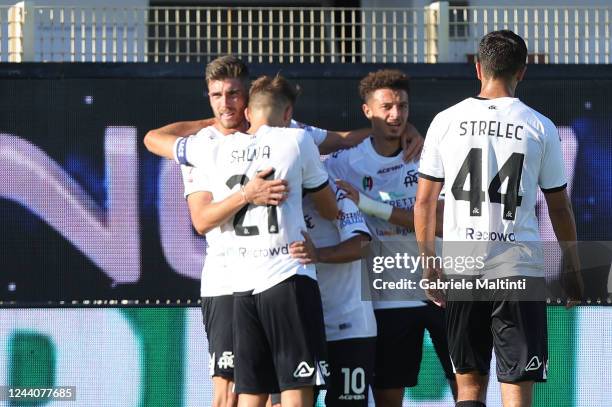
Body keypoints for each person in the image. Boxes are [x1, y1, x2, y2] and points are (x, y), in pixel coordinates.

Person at [414, 30, 583, 407]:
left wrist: (429, 265)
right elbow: (559, 206)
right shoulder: (540, 126)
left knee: (469, 387)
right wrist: (572, 267)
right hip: (518, 266)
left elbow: (424, 202)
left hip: (463, 262)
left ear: (478, 68)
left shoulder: (445, 121)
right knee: (517, 387)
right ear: (522, 72)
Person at [175, 74, 338, 407]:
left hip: (242, 288)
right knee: (296, 386)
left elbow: (156, 139)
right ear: (289, 111)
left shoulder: (213, 148)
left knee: (250, 391)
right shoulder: (295, 140)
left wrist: (245, 193)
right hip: (286, 276)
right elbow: (330, 210)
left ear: (247, 111)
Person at [328, 69, 456, 406]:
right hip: (388, 296)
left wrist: (370, 206)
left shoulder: (430, 153)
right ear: (367, 111)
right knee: (388, 396)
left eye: (402, 106)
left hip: (443, 289)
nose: (396, 115)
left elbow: (442, 222)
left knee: (468, 387)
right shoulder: (344, 164)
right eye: (386, 107)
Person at [289, 180, 376, 406]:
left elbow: (363, 245)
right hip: (300, 327)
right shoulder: (279, 199)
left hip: (348, 327)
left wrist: (317, 254)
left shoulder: (338, 195)